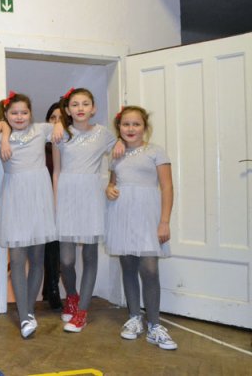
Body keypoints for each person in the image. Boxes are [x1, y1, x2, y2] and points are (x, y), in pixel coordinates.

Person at [105, 106, 177, 350]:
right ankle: (134, 317)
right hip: (122, 215)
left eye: (136, 124)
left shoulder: (155, 151)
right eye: (126, 124)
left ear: (145, 127)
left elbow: (167, 187)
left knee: (149, 269)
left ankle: (155, 325)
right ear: (119, 127)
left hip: (148, 217)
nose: (131, 128)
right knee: (128, 266)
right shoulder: (116, 153)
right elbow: (112, 183)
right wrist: (109, 189)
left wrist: (164, 221)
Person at [0, 92, 57, 338]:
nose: (19, 117)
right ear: (6, 115)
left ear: (31, 113)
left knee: (37, 258)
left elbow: (63, 124)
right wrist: (3, 130)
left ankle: (28, 312)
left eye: (24, 112)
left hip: (39, 199)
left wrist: (60, 124)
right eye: (14, 113)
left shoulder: (41, 130)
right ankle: (24, 315)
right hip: (15, 199)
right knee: (18, 259)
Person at [52, 87, 116, 332]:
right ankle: (72, 295)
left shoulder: (104, 134)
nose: (80, 108)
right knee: (66, 260)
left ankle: (82, 311)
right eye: (75, 104)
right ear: (68, 110)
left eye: (85, 103)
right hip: (66, 197)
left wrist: (112, 183)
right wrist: (55, 202)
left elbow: (119, 158)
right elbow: (56, 171)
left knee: (90, 257)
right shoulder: (60, 134)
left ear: (93, 108)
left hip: (91, 197)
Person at [42, 102, 63, 310]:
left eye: (60, 118)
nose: (56, 122)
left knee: (58, 245)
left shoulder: (68, 144)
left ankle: (51, 288)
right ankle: (50, 288)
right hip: (42, 199)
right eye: (52, 118)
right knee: (47, 245)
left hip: (64, 199)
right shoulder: (40, 145)